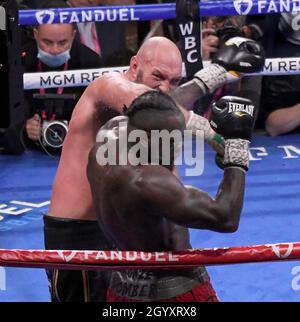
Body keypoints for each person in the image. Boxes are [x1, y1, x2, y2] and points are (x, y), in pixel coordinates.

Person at [45, 36, 264, 302]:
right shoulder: (107, 85)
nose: (165, 88)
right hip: (78, 233)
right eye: (158, 76)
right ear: (134, 65)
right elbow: (150, 101)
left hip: (122, 238)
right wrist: (215, 76)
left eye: (174, 81)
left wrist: (223, 145)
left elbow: (160, 109)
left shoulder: (149, 128)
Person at [87, 91, 255, 302]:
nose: (177, 150)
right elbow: (225, 217)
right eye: (173, 142)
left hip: (122, 285)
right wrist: (237, 149)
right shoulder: (146, 181)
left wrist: (206, 128)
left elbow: (152, 111)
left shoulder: (106, 141)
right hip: (173, 290)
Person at [22, 22, 102, 148]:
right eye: (47, 42)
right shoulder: (19, 62)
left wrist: (81, 127)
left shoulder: (91, 62)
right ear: (35, 34)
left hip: (78, 147)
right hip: (28, 149)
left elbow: (100, 115)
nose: (55, 50)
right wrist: (22, 127)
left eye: (62, 43)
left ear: (73, 36)